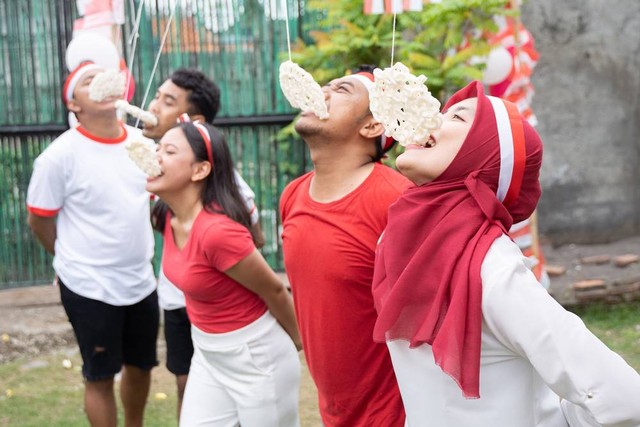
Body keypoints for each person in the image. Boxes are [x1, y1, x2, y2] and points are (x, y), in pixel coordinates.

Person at [372, 80, 640, 426]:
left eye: (458, 118)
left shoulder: (493, 268)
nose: (432, 120)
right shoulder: (397, 242)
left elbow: (622, 397)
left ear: (484, 156)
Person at [26, 61, 159, 427]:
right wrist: (67, 257)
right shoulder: (59, 156)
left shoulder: (140, 145)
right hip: (88, 284)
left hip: (141, 280)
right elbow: (39, 218)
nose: (101, 82)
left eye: (104, 76)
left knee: (141, 366)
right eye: (88, 81)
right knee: (99, 375)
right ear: (74, 105)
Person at [147, 121, 302, 426]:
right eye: (157, 147)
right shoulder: (165, 215)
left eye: (169, 150)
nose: (155, 156)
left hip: (257, 357)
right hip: (208, 353)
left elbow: (273, 289)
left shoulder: (218, 232)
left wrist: (299, 343)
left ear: (200, 170)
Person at [280, 66, 410, 426]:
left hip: (396, 413)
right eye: (327, 84)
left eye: (342, 89)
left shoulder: (397, 201)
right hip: (333, 412)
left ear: (371, 126)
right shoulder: (291, 195)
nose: (320, 90)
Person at [143, 68, 265, 417]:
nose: (153, 106)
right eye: (157, 96)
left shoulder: (230, 187)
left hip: (223, 312)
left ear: (191, 119)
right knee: (187, 385)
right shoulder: (151, 169)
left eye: (168, 102)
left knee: (234, 394)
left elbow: (253, 242)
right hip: (177, 299)